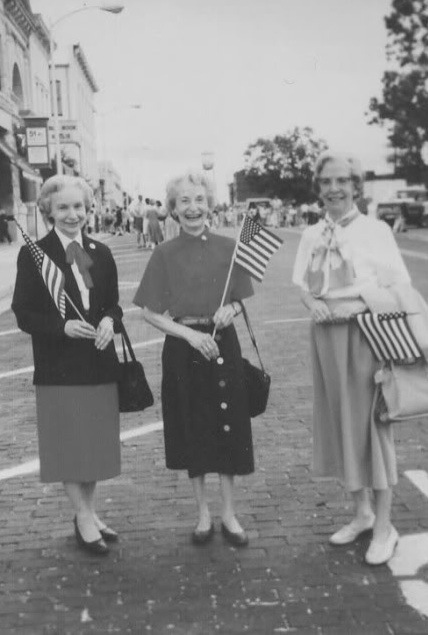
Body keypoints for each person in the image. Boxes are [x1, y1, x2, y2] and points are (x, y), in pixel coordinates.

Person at [292, 151, 411, 566]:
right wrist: (312, 304)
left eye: (342, 181)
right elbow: (301, 284)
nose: (333, 189)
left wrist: (357, 308)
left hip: (365, 336)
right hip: (325, 336)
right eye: (326, 182)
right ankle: (361, 513)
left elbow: (401, 287)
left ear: (356, 186)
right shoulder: (312, 234)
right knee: (341, 424)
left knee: (371, 430)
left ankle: (384, 525)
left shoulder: (376, 231)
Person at [133, 171, 254, 547]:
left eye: (199, 199)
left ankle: (229, 513)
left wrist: (230, 309)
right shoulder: (164, 253)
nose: (192, 207)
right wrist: (189, 334)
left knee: (228, 425)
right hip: (184, 349)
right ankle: (203, 513)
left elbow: (240, 297)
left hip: (223, 345)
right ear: (172, 209)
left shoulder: (228, 246)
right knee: (194, 427)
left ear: (209, 203)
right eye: (183, 201)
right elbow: (148, 312)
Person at [12, 175, 123, 556]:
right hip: (59, 366)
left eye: (78, 206)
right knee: (68, 447)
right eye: (63, 208)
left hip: (98, 363)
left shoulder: (99, 252)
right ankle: (83, 516)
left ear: (88, 208)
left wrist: (110, 320)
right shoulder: (34, 255)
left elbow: (111, 302)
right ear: (48, 211)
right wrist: (62, 327)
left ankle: (87, 514)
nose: (72, 214)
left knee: (92, 446)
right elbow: (23, 313)